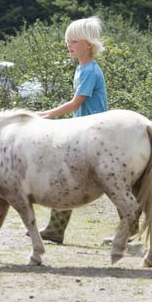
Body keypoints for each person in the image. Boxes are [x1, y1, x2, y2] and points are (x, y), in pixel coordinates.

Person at [36, 16, 108, 244]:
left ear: (88, 44)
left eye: (74, 41)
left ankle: (55, 229)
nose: (69, 44)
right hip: (81, 130)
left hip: (91, 131)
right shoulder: (81, 69)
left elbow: (76, 103)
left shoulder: (89, 71)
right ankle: (55, 229)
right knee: (65, 176)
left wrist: (47, 114)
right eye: (68, 40)